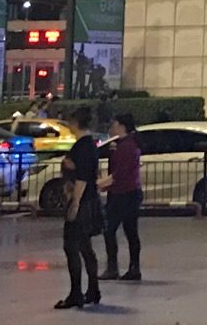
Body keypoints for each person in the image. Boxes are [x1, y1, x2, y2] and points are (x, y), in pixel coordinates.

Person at [56, 106, 103, 309]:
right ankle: (93, 289)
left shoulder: (82, 147)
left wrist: (74, 203)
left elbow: (82, 178)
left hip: (82, 201)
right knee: (85, 246)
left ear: (76, 123)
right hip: (91, 200)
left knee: (72, 247)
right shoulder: (90, 146)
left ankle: (76, 292)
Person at [98, 111, 142, 282]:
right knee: (130, 231)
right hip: (126, 192)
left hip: (124, 194)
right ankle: (132, 267)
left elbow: (119, 173)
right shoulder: (126, 144)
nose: (111, 128)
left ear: (122, 126)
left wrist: (100, 184)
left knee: (110, 229)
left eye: (114, 124)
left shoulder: (127, 146)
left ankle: (114, 267)